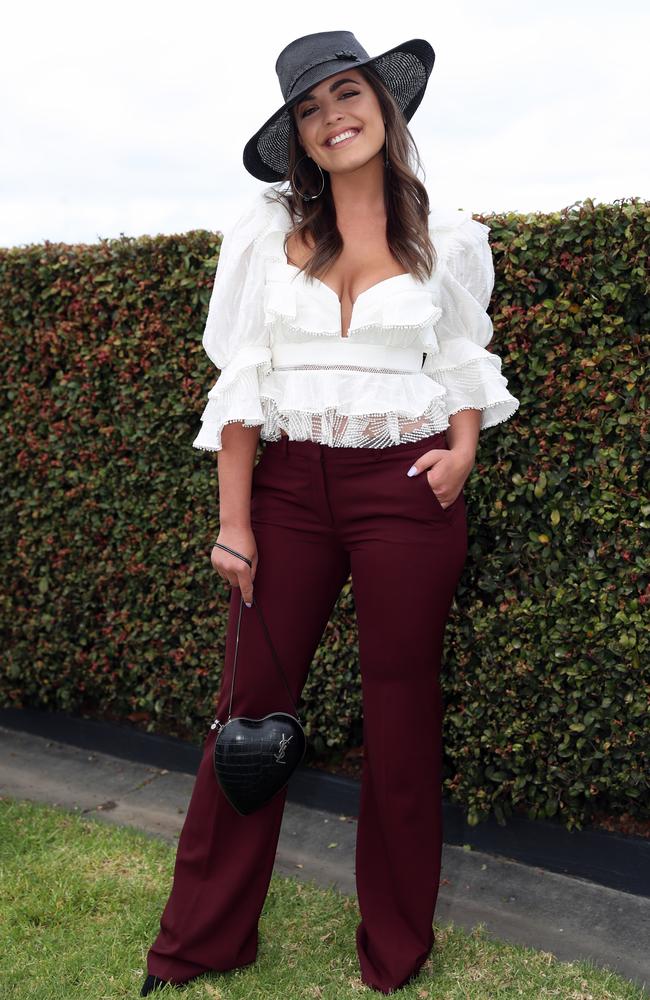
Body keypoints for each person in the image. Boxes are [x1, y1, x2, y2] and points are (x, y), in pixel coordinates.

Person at [140, 29, 519, 997]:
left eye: (344, 94)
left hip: (404, 486)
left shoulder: (449, 235)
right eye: (307, 109)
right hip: (287, 488)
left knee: (401, 715)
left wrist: (463, 450)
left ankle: (392, 949)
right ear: (296, 137)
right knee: (248, 714)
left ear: (383, 108)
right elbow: (240, 378)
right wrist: (235, 521)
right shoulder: (265, 232)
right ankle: (197, 944)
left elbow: (462, 361)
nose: (329, 117)